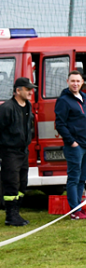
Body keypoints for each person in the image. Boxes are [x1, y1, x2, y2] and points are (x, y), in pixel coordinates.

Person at [55, 71, 86, 220]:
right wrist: (71, 142)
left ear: (82, 82)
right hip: (75, 147)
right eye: (73, 81)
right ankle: (74, 211)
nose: (75, 84)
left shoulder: (85, 98)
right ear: (68, 81)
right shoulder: (64, 101)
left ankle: (80, 208)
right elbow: (60, 124)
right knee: (74, 178)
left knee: (82, 178)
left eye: (78, 81)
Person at [0, 78, 36, 226]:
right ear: (18, 90)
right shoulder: (6, 108)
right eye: (27, 89)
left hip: (23, 152)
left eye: (31, 89)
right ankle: (10, 215)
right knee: (11, 183)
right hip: (10, 152)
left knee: (22, 184)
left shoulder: (28, 106)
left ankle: (17, 212)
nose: (30, 92)